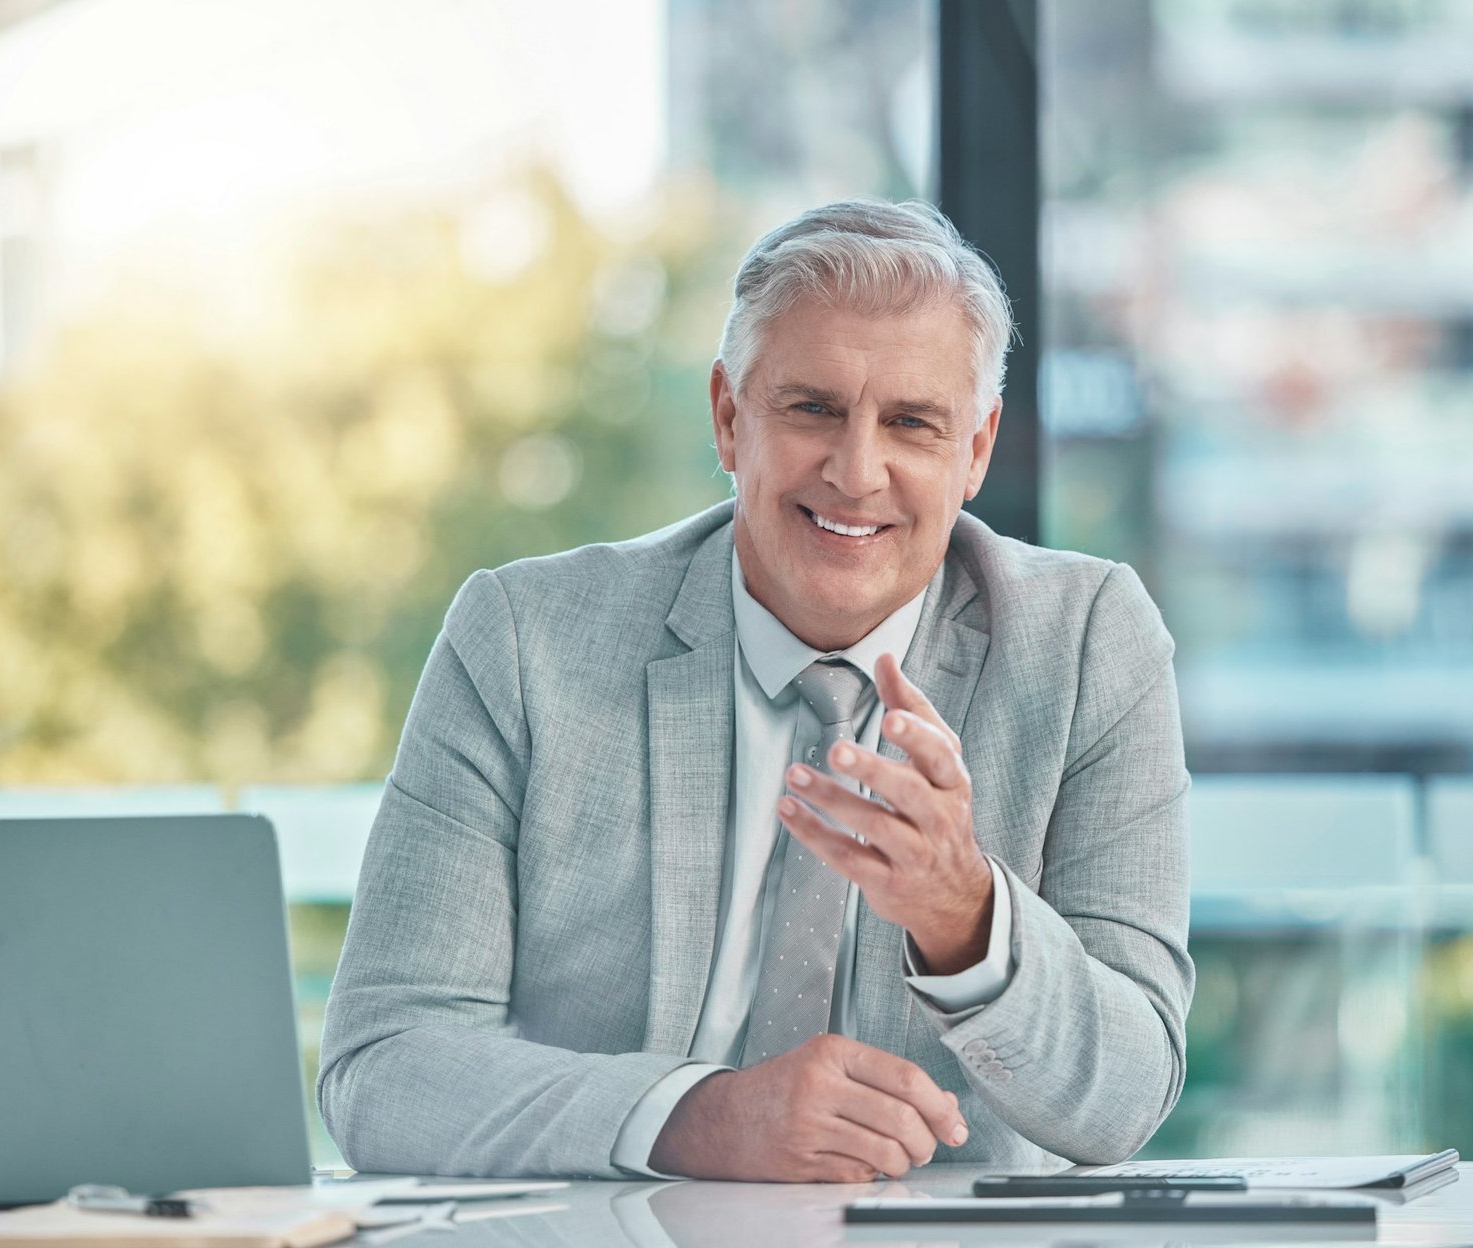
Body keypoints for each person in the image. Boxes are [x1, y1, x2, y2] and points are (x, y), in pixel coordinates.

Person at [318, 199, 1193, 1183]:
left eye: (911, 423)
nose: (857, 472)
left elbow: (1127, 1096)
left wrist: (964, 914)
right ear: (730, 418)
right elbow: (381, 1068)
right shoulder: (526, 641)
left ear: (976, 453)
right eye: (812, 409)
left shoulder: (1085, 644)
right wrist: (698, 1119)